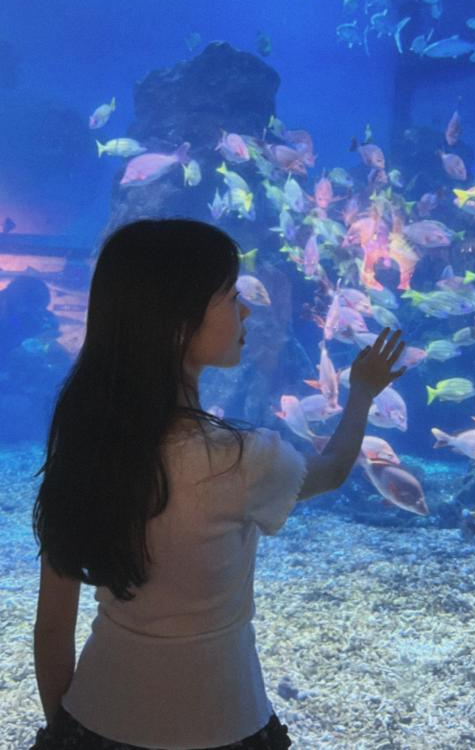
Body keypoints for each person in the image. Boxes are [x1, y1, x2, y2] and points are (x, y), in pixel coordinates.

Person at [30, 218, 407, 750]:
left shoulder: (85, 446)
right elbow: (333, 469)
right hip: (225, 724)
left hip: (97, 717)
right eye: (231, 296)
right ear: (180, 324)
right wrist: (362, 393)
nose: (246, 310)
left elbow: (52, 628)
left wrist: (62, 733)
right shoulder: (242, 459)